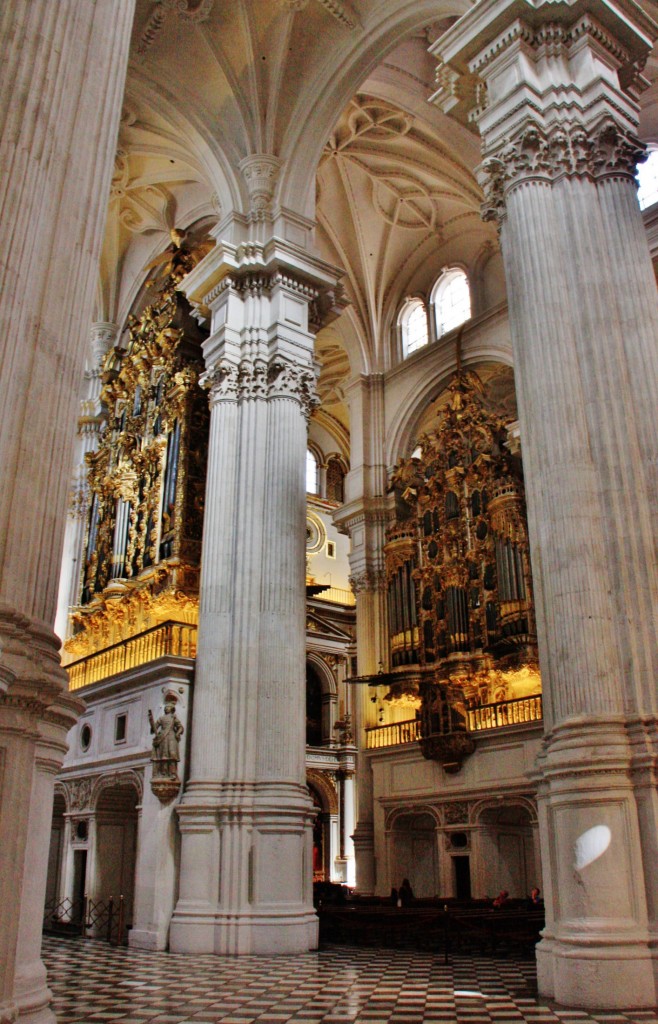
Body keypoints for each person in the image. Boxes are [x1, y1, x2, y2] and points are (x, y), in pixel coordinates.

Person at [149, 701, 184, 779]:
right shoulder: (161, 718)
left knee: (172, 754)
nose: (166, 708)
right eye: (165, 707)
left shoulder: (173, 717)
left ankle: (173, 773)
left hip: (171, 737)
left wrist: (178, 733)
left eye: (168, 707)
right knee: (163, 755)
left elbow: (180, 727)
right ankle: (163, 773)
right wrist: (151, 722)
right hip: (162, 737)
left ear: (172, 709)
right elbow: (154, 729)